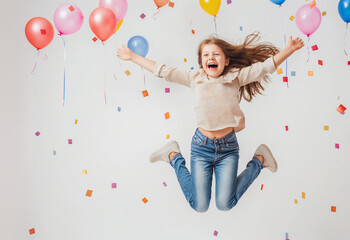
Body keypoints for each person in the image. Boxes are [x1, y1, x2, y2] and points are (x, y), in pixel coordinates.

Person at [117, 32, 304, 212]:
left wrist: (289, 50)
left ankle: (259, 159)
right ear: (201, 63)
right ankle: (173, 156)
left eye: (216, 54)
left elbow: (263, 68)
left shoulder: (235, 77)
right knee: (200, 206)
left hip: (228, 149)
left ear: (226, 61)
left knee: (225, 204)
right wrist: (133, 56)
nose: (210, 57)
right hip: (201, 148)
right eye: (206, 55)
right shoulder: (194, 78)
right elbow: (163, 70)